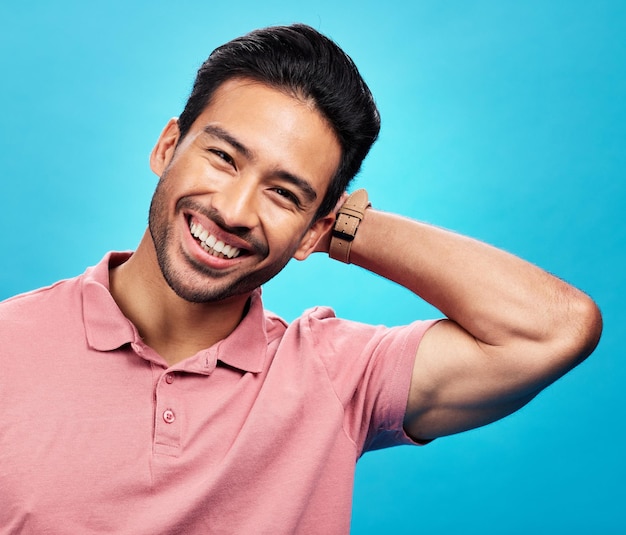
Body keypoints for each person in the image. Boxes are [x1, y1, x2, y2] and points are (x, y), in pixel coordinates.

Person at [0, 23, 601, 534]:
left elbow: (556, 329)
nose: (235, 210)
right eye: (223, 157)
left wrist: (347, 225)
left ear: (317, 229)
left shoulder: (336, 375)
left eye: (285, 194)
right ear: (167, 146)